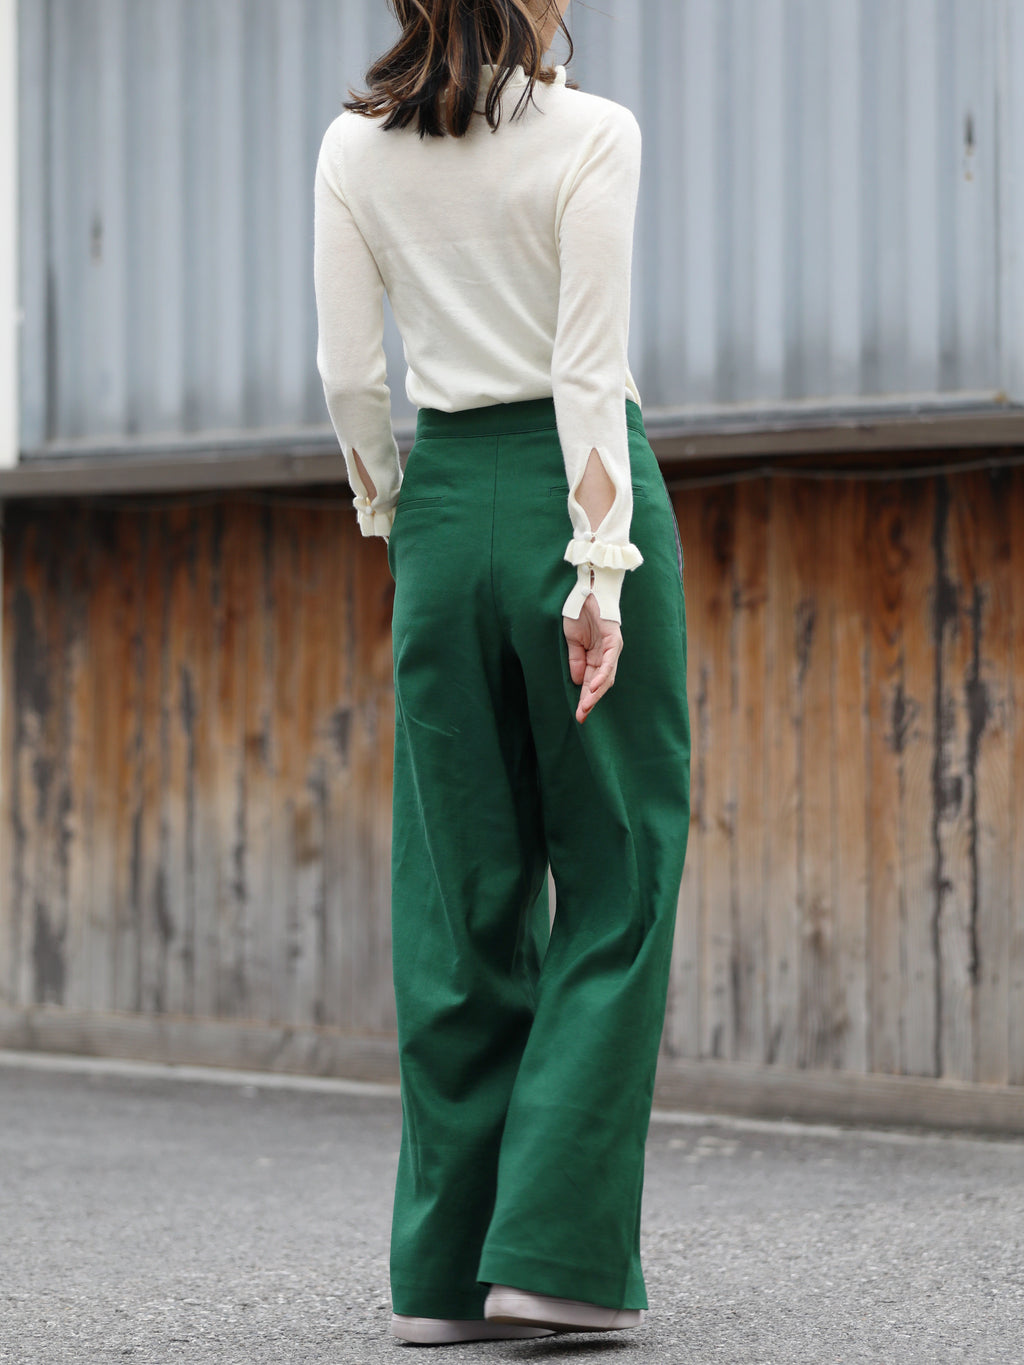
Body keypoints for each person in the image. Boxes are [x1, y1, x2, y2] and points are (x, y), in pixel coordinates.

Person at [313, 0, 690, 1346]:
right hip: (576, 502)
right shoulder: (594, 135)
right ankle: (554, 1258)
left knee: (458, 885)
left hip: (442, 512)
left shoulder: (352, 149)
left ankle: (442, 1281)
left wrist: (395, 515)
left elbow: (350, 378)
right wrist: (599, 570)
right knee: (619, 871)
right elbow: (585, 369)